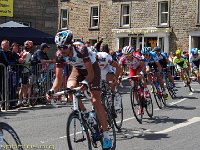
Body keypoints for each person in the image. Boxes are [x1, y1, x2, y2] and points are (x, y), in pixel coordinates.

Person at [46, 30, 113, 149]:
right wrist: (52, 90)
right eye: (59, 47)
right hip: (77, 70)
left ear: (70, 44)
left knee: (95, 100)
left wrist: (86, 83)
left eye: (64, 47)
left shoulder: (81, 49)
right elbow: (59, 78)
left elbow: (91, 73)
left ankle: (107, 135)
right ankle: (87, 115)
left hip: (92, 69)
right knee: (70, 90)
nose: (62, 50)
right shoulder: (59, 55)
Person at [17, 40, 33, 106]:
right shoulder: (28, 54)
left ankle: (21, 100)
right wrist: (30, 63)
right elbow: (24, 62)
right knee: (24, 86)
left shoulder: (22, 52)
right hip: (25, 71)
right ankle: (22, 100)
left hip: (23, 71)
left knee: (23, 86)